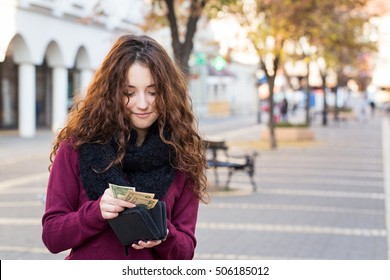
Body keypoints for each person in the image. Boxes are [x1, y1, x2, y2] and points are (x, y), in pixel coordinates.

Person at [41, 34, 208, 260]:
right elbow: (52, 236)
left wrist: (164, 234)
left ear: (168, 93)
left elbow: (185, 251)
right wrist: (96, 212)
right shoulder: (76, 146)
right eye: (129, 93)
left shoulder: (182, 155)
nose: (142, 104)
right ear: (111, 92)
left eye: (153, 92)